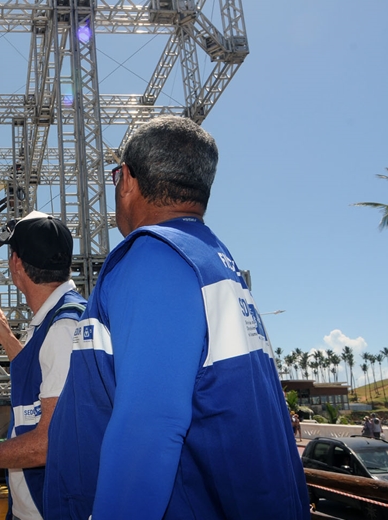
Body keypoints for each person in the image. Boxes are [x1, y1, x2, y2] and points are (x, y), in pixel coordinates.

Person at [44, 116, 310, 519]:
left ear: (128, 180)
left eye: (116, 176)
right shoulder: (212, 259)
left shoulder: (155, 256)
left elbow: (148, 430)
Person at [0, 211, 86, 520]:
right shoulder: (58, 316)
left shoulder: (62, 328)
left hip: (52, 510)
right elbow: (44, 375)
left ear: (16, 263)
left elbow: (46, 444)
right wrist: (6, 337)